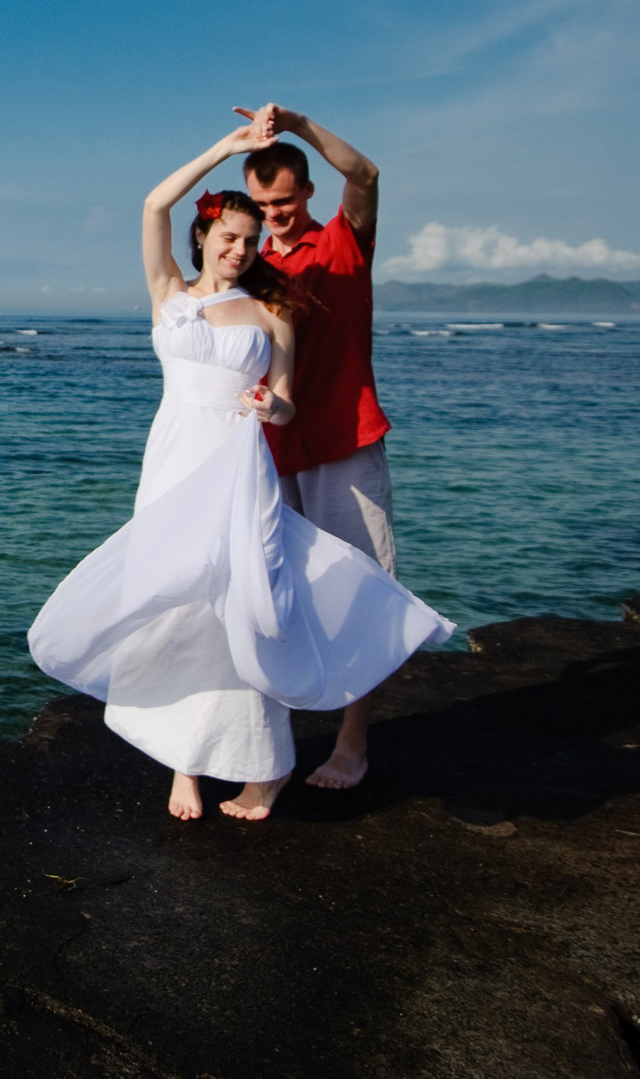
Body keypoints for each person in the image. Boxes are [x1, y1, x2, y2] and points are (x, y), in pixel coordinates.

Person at [28, 125, 453, 821]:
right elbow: (151, 208)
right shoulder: (170, 291)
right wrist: (222, 152)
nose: (242, 247)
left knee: (254, 602)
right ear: (205, 235)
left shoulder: (280, 300)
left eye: (251, 238)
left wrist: (270, 404)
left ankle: (295, 757)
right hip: (174, 463)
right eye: (231, 234)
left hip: (247, 462)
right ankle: (184, 763)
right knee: (176, 604)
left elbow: (283, 403)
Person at [234, 104, 393, 790]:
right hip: (272, 452)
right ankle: (275, 748)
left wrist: (297, 126)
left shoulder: (344, 242)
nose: (274, 215)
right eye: (263, 205)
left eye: (284, 201)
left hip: (345, 441)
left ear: (307, 192)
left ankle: (352, 744)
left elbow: (367, 171)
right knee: (278, 600)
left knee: (363, 592)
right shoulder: (253, 268)